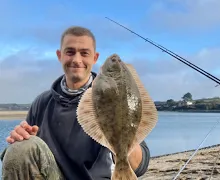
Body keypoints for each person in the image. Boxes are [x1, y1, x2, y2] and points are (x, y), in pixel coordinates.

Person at [0, 26, 151, 180]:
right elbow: (27, 148)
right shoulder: (42, 102)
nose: (77, 60)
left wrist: (119, 139)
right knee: (20, 149)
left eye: (84, 53)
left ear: (95, 58)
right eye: (70, 52)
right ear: (60, 55)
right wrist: (23, 138)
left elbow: (141, 165)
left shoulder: (114, 98)